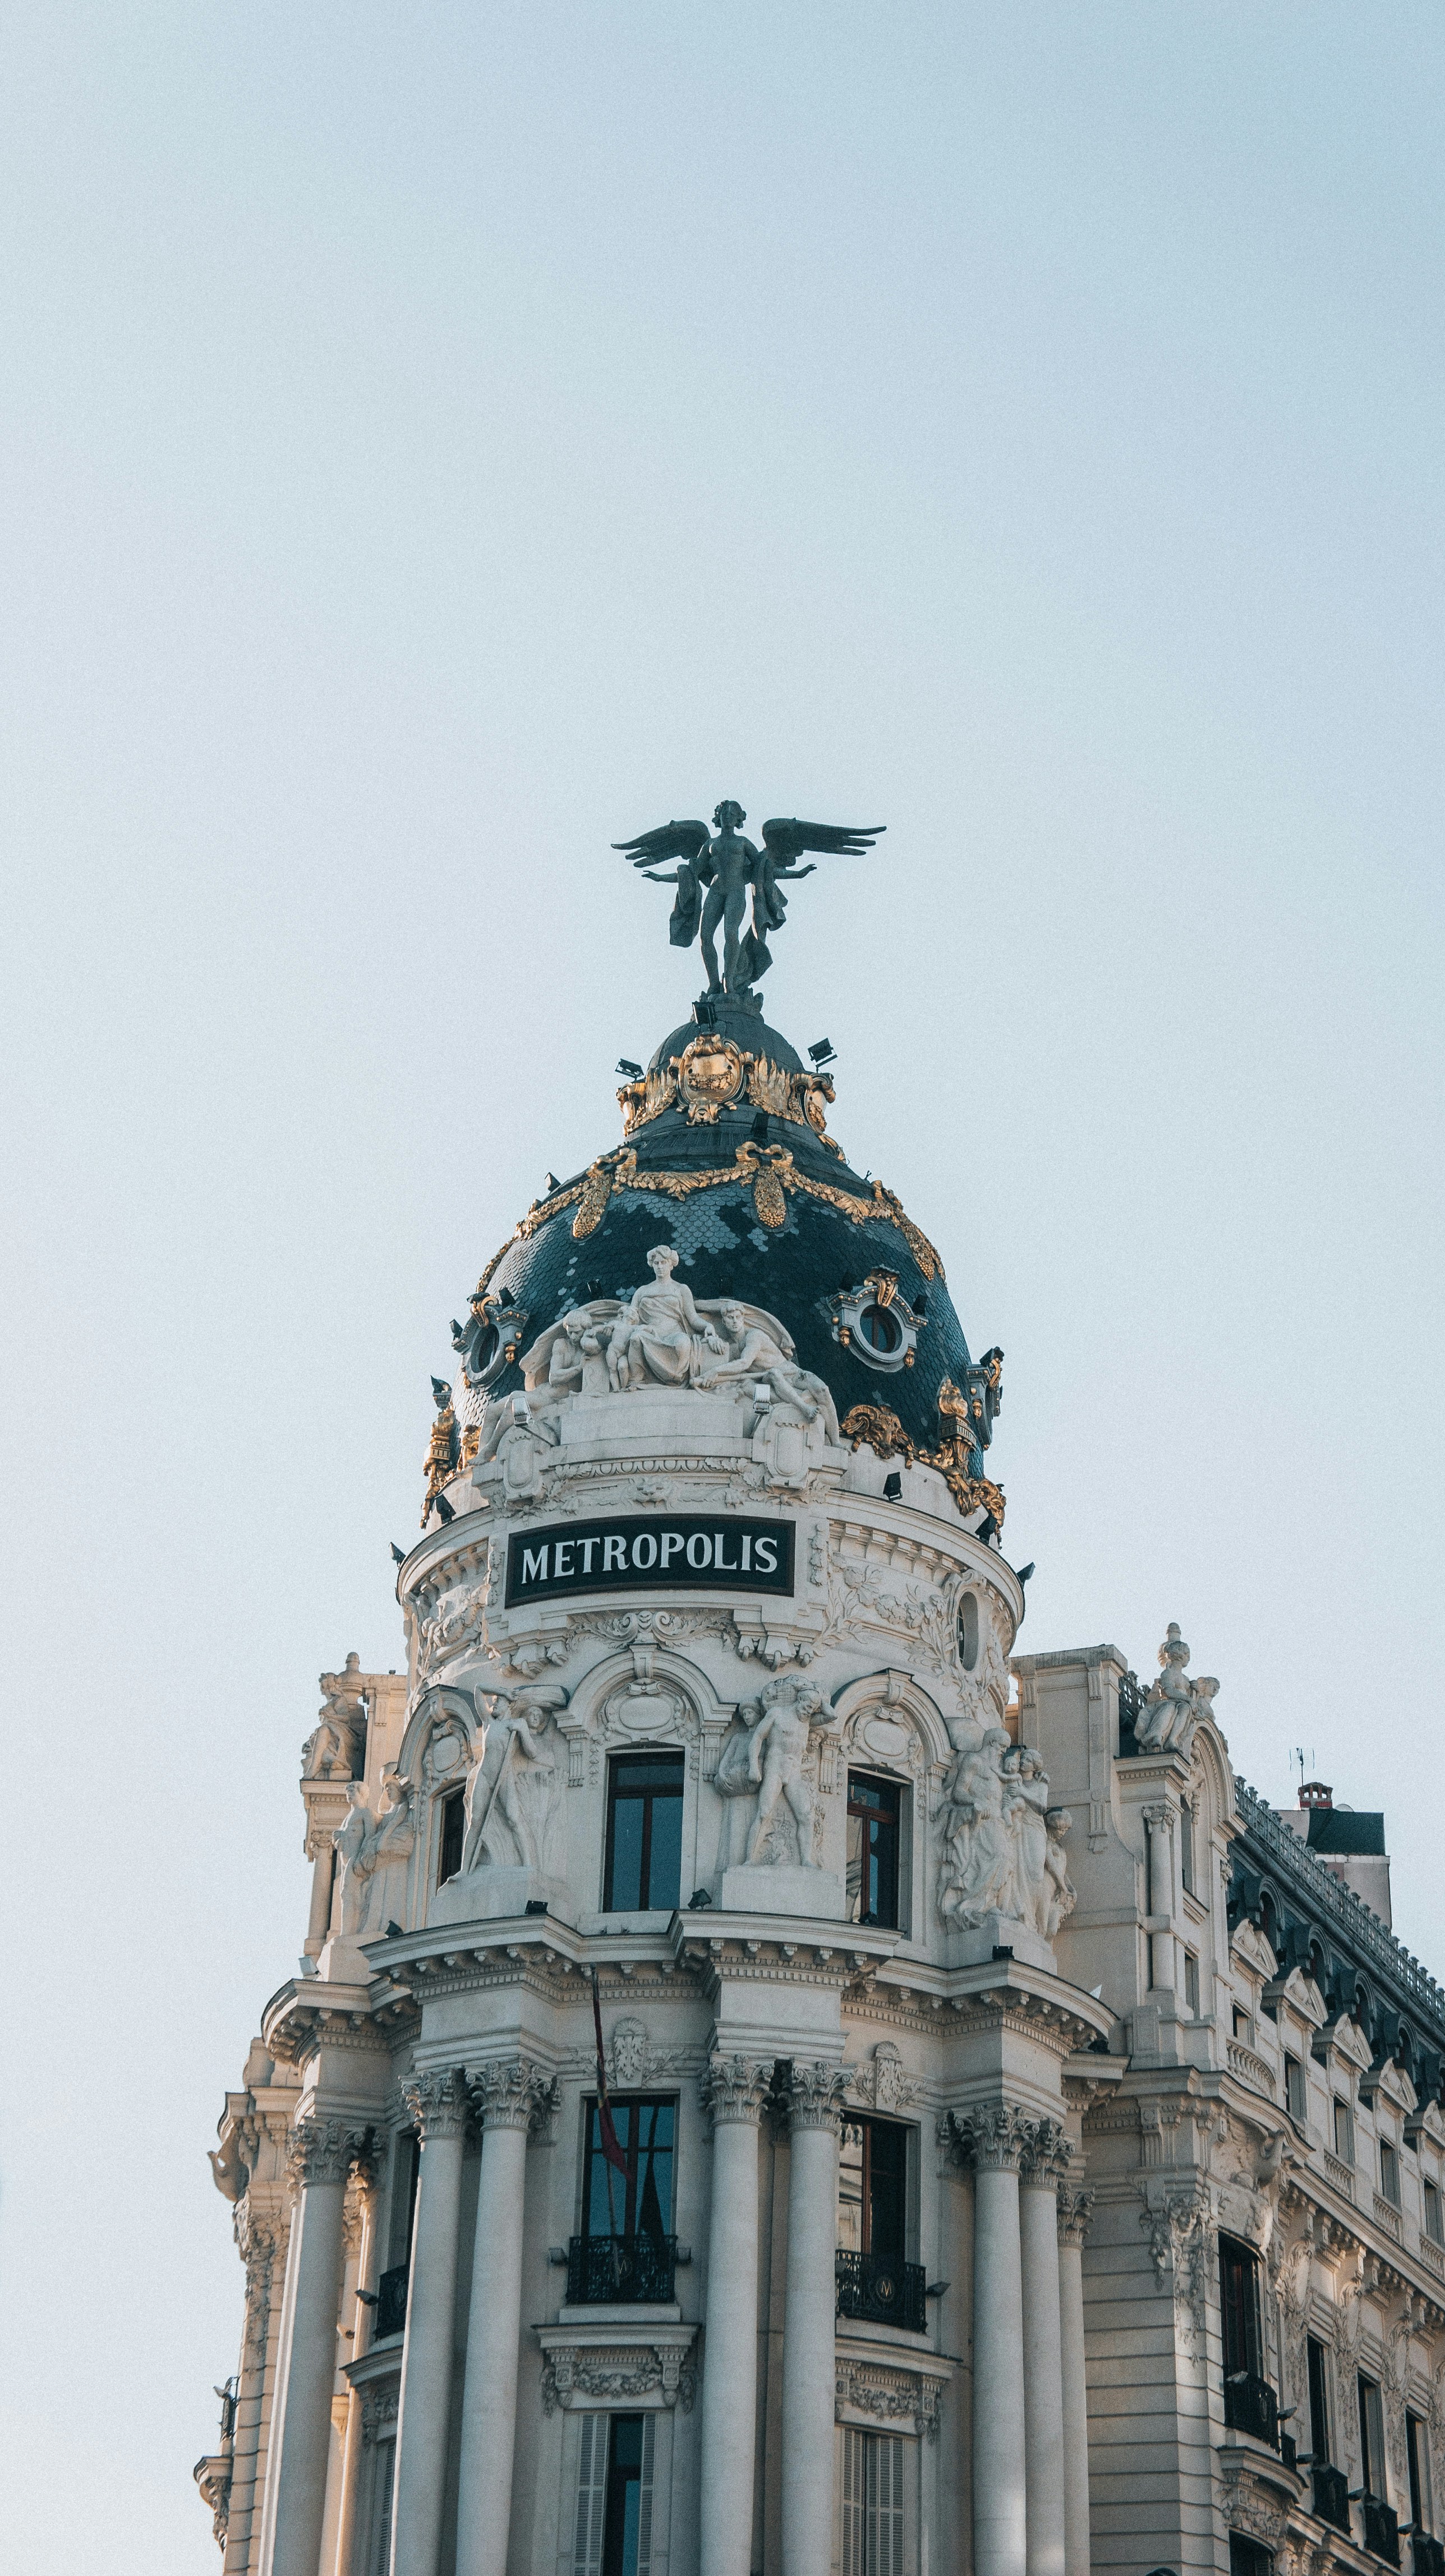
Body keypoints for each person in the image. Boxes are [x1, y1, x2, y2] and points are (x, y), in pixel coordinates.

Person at [700, 1303, 840, 1439]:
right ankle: (805, 1409)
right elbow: (711, 1351)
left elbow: (744, 1363)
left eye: (738, 1317)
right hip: (768, 1381)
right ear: (723, 1322)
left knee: (823, 1390)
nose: (735, 1321)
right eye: (730, 1318)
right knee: (774, 1373)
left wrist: (715, 1371)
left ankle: (836, 1442)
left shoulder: (754, 1335)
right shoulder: (732, 1349)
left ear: (743, 1319)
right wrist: (711, 1338)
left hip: (792, 1373)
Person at [606, 1245, 725, 1390]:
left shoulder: (681, 1289)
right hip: (650, 1333)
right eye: (656, 1263)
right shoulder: (642, 1291)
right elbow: (631, 1318)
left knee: (683, 1342)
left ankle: (674, 1377)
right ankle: (637, 1379)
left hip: (674, 1333)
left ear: (671, 1264)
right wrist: (612, 1327)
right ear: (652, 1265)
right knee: (636, 1338)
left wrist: (708, 1326)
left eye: (664, 1263)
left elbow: (693, 1319)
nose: (660, 1267)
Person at [745, 1679, 824, 1866]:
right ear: (799, 1699)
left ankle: (806, 1860)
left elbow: (832, 1715)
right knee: (764, 1813)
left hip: (794, 1773)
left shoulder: (807, 1721)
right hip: (775, 1769)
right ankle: (749, 1860)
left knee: (806, 1816)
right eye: (807, 1707)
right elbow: (757, 1738)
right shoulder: (777, 1714)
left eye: (813, 1710)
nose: (809, 1712)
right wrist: (753, 1766)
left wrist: (816, 1695)